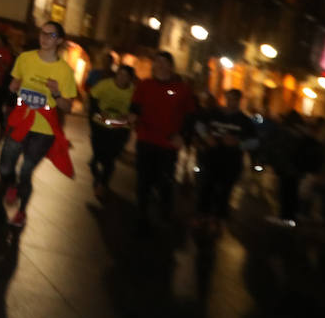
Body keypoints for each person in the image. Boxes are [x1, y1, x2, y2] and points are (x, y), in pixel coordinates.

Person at [0, 20, 77, 228]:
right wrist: (14, 87)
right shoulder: (25, 59)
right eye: (43, 33)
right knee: (5, 167)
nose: (44, 38)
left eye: (50, 35)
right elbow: (14, 85)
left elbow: (67, 107)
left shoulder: (65, 71)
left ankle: (22, 212)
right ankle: (11, 186)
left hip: (43, 129)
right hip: (21, 119)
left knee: (26, 171)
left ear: (59, 40)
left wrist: (57, 92)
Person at [129, 50, 196, 233]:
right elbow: (134, 107)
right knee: (143, 179)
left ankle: (164, 214)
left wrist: (183, 136)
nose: (159, 66)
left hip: (168, 143)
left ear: (170, 66)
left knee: (165, 180)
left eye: (163, 62)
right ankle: (141, 215)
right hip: (146, 138)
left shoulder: (182, 89)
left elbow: (190, 116)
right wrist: (132, 118)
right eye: (156, 62)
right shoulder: (145, 85)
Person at [192, 88, 259, 232]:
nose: (230, 102)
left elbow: (254, 142)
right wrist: (206, 137)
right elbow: (198, 124)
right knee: (206, 187)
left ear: (239, 101)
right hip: (211, 157)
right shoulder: (214, 113)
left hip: (231, 161)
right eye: (228, 98)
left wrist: (238, 143)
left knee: (225, 191)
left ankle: (217, 218)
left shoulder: (244, 120)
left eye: (234, 99)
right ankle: (202, 214)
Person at [87, 63, 135, 198]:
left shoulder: (133, 91)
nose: (121, 78)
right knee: (97, 158)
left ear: (130, 79)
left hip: (120, 128)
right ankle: (96, 169)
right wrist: (97, 114)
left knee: (110, 158)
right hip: (101, 125)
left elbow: (137, 108)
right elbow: (93, 99)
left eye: (125, 76)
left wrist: (131, 115)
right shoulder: (105, 85)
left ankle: (102, 184)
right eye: (119, 74)